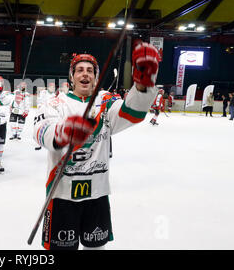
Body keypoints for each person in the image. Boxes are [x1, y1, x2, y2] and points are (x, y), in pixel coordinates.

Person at [33, 42, 160, 250]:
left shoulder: (107, 102)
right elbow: (40, 130)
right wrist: (62, 133)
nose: (85, 74)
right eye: (80, 70)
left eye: (90, 70)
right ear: (71, 76)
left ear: (97, 76)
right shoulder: (55, 102)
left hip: (97, 194)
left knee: (96, 248)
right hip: (62, 195)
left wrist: (144, 85)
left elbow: (133, 112)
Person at [35, 83, 56, 150]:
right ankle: (38, 143)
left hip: (50, 113)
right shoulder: (44, 92)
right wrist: (40, 106)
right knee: (39, 125)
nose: (52, 88)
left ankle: (49, 141)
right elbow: (39, 100)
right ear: (48, 87)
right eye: (51, 87)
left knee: (49, 127)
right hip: (42, 111)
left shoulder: (54, 95)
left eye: (53, 87)